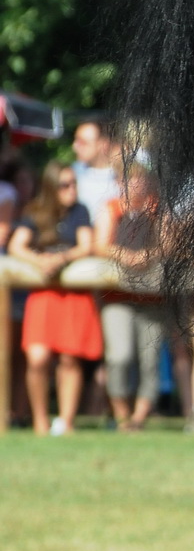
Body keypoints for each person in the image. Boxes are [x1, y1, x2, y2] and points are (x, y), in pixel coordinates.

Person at [13, 161, 98, 434]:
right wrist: (40, 260)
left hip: (73, 295)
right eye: (64, 185)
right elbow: (16, 246)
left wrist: (61, 258)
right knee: (37, 357)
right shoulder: (35, 212)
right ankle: (40, 422)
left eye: (74, 183)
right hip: (43, 295)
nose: (71, 189)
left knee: (70, 358)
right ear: (51, 187)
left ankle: (66, 422)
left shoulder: (80, 211)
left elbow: (86, 245)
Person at [95, 163, 168, 431]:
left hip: (152, 298)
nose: (135, 185)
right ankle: (122, 414)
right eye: (129, 180)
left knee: (150, 359)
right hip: (117, 296)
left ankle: (139, 417)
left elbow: (169, 243)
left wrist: (148, 255)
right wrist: (124, 255)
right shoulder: (111, 209)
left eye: (139, 180)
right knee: (119, 356)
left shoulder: (157, 209)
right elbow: (100, 245)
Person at [71, 119, 119, 221]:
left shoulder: (121, 178)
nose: (74, 147)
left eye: (82, 142)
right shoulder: (71, 174)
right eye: (76, 140)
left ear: (103, 144)